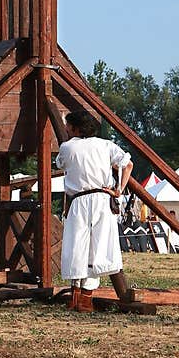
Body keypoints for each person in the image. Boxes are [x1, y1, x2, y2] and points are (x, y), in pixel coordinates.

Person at [55, 109, 133, 313]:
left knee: (76, 246)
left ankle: (77, 295)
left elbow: (60, 164)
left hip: (80, 201)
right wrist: (119, 190)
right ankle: (85, 299)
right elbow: (128, 164)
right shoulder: (105, 144)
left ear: (74, 128)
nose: (65, 128)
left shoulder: (67, 147)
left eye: (68, 125)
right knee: (97, 248)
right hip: (102, 199)